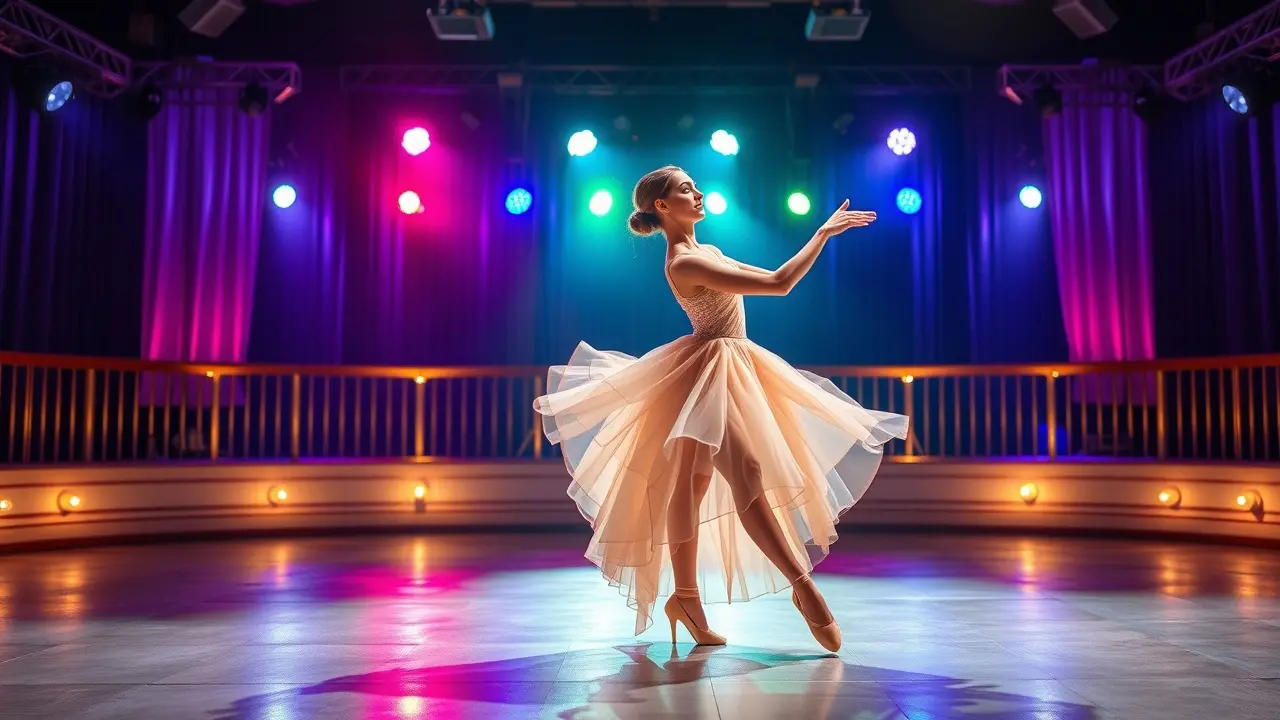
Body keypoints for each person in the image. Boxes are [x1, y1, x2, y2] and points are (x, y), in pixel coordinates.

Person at [534, 166, 908, 652]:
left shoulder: (704, 251)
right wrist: (821, 234)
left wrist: (817, 238)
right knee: (738, 475)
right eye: (686, 189)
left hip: (728, 364)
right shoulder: (685, 262)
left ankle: (687, 597)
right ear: (662, 208)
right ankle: (801, 584)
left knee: (693, 486)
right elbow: (779, 283)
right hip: (711, 368)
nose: (699, 192)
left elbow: (768, 279)